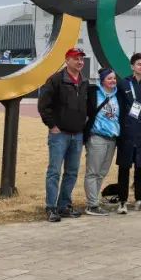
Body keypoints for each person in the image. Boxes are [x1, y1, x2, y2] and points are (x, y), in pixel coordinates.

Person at [37, 48, 88, 223]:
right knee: (54, 172)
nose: (80, 62)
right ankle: (51, 207)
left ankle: (64, 205)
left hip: (77, 134)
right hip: (60, 136)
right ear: (67, 60)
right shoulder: (55, 80)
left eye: (82, 59)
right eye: (76, 59)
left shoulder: (84, 81)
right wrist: (52, 125)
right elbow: (44, 105)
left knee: (72, 173)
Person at [116, 52, 141, 214]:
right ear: (132, 67)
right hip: (127, 133)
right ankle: (122, 202)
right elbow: (118, 108)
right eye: (139, 64)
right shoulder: (124, 84)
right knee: (124, 168)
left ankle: (139, 200)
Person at [83, 68, 120, 216]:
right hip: (97, 137)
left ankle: (95, 201)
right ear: (102, 80)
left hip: (112, 139)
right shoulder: (94, 93)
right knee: (93, 172)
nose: (113, 81)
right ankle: (92, 205)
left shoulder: (118, 95)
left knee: (102, 172)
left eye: (114, 78)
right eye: (109, 78)